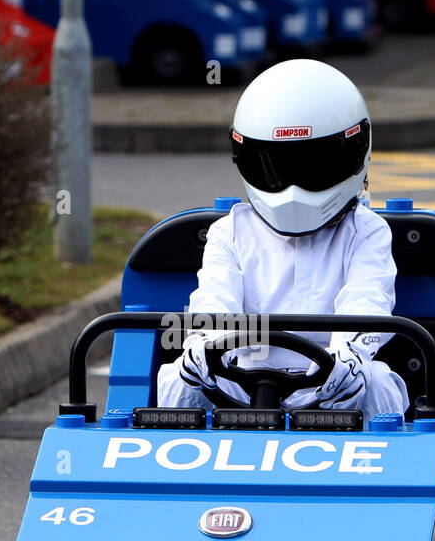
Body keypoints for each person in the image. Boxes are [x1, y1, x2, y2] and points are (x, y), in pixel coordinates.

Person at [155, 58, 408, 419]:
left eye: (313, 165)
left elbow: (366, 302)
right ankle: (174, 471)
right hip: (239, 382)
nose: (292, 190)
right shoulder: (229, 232)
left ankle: (383, 471)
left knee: (376, 380)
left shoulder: (365, 231)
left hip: (334, 386)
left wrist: (348, 358)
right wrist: (203, 346)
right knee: (177, 379)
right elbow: (215, 300)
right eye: (277, 165)